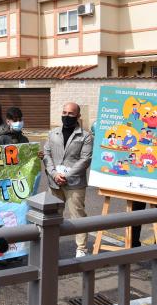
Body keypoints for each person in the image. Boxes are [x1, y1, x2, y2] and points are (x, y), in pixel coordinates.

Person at [43, 102, 93, 257]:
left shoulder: (85, 136)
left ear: (78, 116)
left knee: (78, 215)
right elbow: (47, 155)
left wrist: (66, 175)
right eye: (64, 112)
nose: (66, 116)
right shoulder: (53, 133)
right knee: (51, 216)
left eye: (71, 113)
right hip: (54, 183)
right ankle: (50, 246)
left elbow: (85, 160)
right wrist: (53, 174)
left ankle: (81, 249)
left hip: (74, 184)